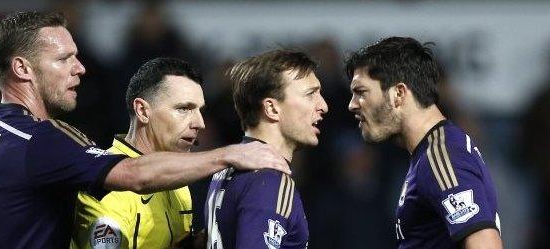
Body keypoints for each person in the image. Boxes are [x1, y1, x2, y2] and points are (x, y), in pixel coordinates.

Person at [0, 11, 289, 249]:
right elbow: (133, 173)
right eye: (64, 59)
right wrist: (230, 153)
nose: (80, 68)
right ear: (23, 69)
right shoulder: (39, 140)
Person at [345, 37, 502, 248]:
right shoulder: (431, 152)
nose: (352, 105)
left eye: (361, 92)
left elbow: (485, 244)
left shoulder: (442, 156)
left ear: (398, 93)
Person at [71, 57, 206, 249]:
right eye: (184, 108)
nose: (200, 123)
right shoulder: (106, 185)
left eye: (200, 111)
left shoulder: (178, 181)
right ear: (142, 111)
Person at [205, 49, 328, 248]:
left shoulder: (225, 172)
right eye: (310, 94)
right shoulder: (270, 180)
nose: (323, 105)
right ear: (271, 108)